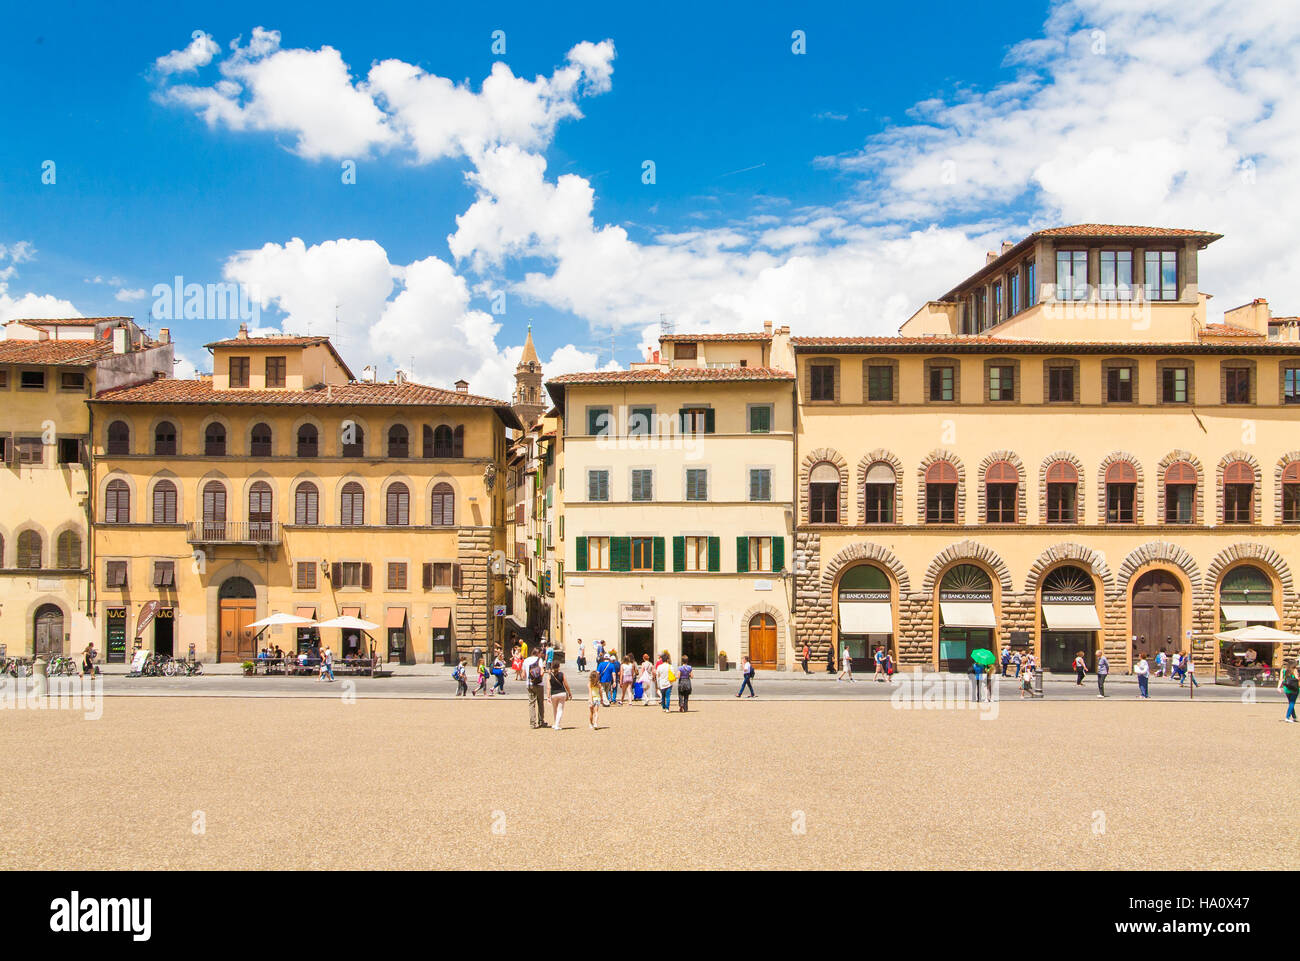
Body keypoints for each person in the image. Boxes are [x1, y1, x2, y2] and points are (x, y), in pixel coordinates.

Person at [524, 648, 546, 728]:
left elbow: (523, 675)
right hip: (539, 684)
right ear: (538, 653)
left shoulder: (526, 660)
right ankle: (541, 721)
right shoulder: (539, 660)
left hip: (529, 684)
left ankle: (532, 723)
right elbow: (542, 671)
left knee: (531, 704)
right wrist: (539, 678)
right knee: (540, 703)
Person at [547, 662, 571, 730]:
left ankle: (555, 723)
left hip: (553, 694)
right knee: (560, 710)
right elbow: (566, 684)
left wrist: (548, 696)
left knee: (555, 709)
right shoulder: (561, 674)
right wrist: (569, 693)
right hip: (561, 693)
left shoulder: (549, 675)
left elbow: (548, 687)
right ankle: (557, 724)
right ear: (559, 667)